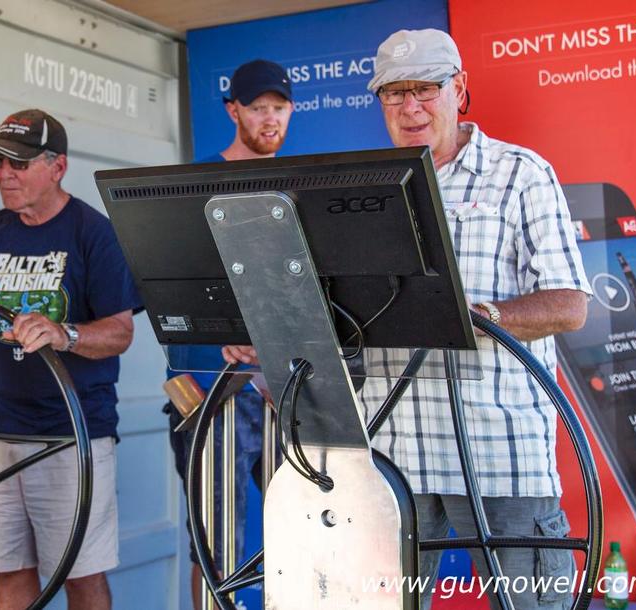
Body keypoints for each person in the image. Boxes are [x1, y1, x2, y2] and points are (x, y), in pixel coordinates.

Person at [224, 30, 590, 610]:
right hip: (390, 454)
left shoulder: (521, 174)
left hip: (499, 454)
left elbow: (570, 305)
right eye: (394, 95)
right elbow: (333, 306)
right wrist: (276, 333)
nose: (410, 108)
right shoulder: (357, 186)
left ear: (459, 90)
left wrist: (479, 316)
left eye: (425, 89)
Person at [0, 109, 142, 610]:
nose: (4, 175)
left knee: (81, 577)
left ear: (58, 167)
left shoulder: (94, 233)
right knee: (10, 576)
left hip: (71, 437)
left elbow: (120, 333)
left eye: (19, 164)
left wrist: (64, 333)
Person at [166, 58, 294, 610]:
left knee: (304, 534)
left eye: (279, 108)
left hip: (282, 393)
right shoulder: (192, 187)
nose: (270, 119)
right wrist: (225, 336)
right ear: (232, 110)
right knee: (214, 548)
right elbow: (167, 288)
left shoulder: (296, 187)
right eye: (258, 108)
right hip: (210, 391)